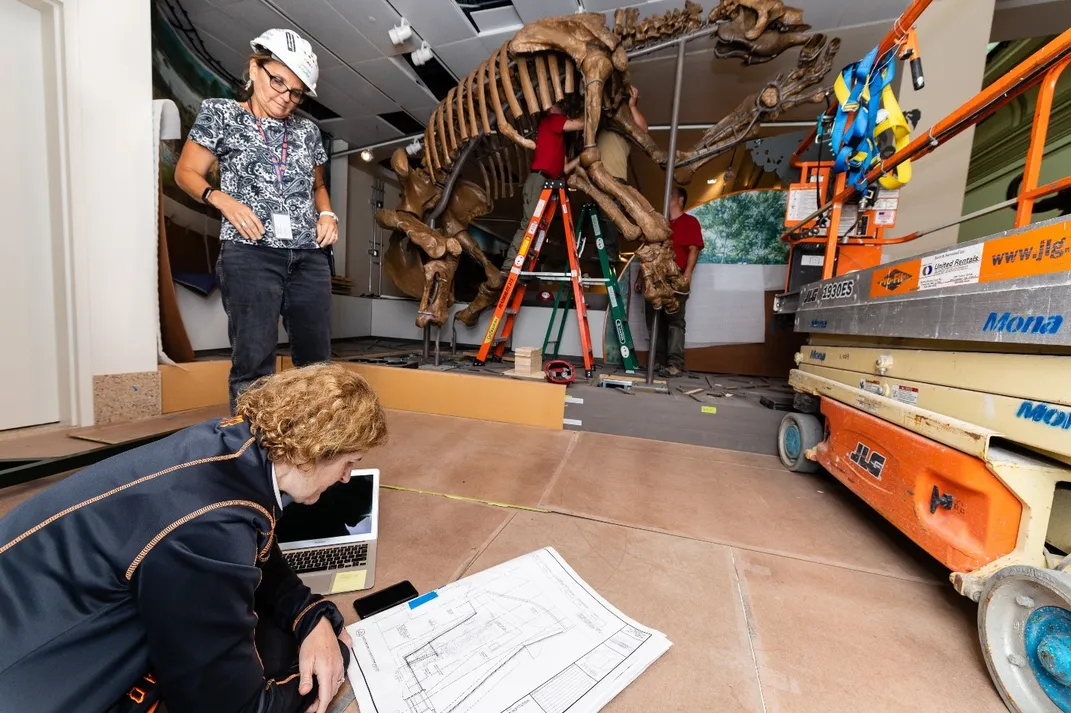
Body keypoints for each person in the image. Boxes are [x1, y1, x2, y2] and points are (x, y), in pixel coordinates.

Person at [0, 363, 388, 713]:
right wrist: (337, 656)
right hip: (25, 670)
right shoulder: (211, 528)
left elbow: (258, 553)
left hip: (31, 598)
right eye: (348, 463)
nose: (345, 478)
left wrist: (312, 617)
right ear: (314, 453)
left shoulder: (231, 447)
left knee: (264, 628)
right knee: (282, 660)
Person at [175, 29, 340, 414]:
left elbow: (317, 186)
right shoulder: (221, 114)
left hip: (308, 255)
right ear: (254, 67)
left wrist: (328, 214)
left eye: (296, 92)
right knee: (254, 361)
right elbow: (186, 172)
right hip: (250, 254)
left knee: (317, 363)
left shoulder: (308, 131)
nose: (285, 98)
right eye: (277, 81)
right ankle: (254, 459)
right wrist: (221, 200)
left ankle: (315, 450)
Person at [504, 103, 583, 268]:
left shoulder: (558, 140)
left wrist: (584, 156)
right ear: (552, 108)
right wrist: (591, 111)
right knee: (529, 222)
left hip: (548, 183)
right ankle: (510, 263)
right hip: (538, 179)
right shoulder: (552, 120)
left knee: (536, 223)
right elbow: (579, 124)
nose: (563, 110)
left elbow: (565, 168)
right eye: (559, 106)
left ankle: (522, 261)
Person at [638, 185, 703, 377]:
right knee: (653, 319)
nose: (666, 197)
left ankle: (674, 364)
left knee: (675, 322)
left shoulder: (690, 222)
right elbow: (649, 252)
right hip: (655, 278)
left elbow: (694, 249)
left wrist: (687, 274)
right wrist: (642, 278)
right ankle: (656, 362)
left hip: (676, 277)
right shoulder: (659, 224)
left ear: (681, 199)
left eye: (671, 195)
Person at [594, 86, 648, 264]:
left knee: (610, 215)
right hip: (596, 177)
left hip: (614, 177)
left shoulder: (625, 127)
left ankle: (610, 253)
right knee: (600, 218)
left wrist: (632, 106)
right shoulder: (600, 123)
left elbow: (643, 131)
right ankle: (603, 252)